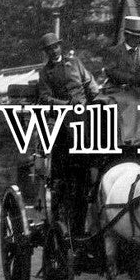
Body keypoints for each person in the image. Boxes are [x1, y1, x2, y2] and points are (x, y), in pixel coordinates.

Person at [35, 32, 100, 236]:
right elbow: (45, 98)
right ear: (46, 53)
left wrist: (97, 101)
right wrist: (65, 104)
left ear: (60, 47)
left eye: (56, 47)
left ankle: (95, 170)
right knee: (69, 128)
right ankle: (68, 176)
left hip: (85, 113)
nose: (53, 51)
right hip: (63, 117)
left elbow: (91, 85)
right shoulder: (45, 73)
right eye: (49, 49)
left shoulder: (76, 63)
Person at [100, 17, 140, 152]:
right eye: (133, 36)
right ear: (126, 35)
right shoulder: (114, 51)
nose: (136, 40)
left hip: (136, 91)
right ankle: (126, 141)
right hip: (116, 90)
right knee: (132, 104)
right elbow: (111, 71)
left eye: (138, 37)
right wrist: (132, 79)